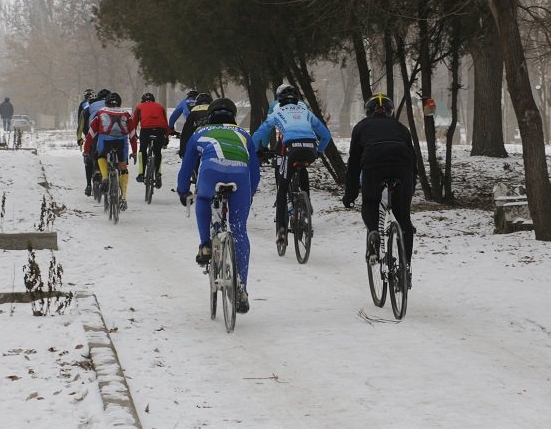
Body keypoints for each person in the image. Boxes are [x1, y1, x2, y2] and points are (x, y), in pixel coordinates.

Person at [176, 98, 260, 314]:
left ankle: (205, 244)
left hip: (211, 173)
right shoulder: (244, 135)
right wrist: (249, 195)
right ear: (233, 116)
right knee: (239, 229)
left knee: (203, 199)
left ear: (210, 115)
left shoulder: (200, 133)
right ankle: (241, 287)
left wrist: (183, 190)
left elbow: (186, 167)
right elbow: (255, 172)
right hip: (240, 177)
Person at [342, 93, 416, 275]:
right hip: (402, 166)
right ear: (390, 112)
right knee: (404, 219)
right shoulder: (401, 128)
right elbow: (414, 162)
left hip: (374, 165)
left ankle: (374, 232)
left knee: (370, 203)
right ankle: (405, 268)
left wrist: (350, 194)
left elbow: (353, 164)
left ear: (368, 112)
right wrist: (408, 192)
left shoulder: (361, 127)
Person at [252, 84, 331, 246]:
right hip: (310, 148)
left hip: (290, 148)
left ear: (280, 100)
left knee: (282, 189)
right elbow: (326, 136)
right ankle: (306, 208)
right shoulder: (306, 112)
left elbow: (260, 133)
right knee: (302, 169)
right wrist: (318, 152)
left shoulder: (277, 112)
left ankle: (281, 229)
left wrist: (254, 151)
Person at [83, 91, 137, 211]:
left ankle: (105, 178)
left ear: (106, 103)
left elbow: (90, 135)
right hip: (121, 142)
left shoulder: (101, 112)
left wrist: (86, 151)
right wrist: (134, 152)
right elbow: (133, 135)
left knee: (100, 156)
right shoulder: (126, 114)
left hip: (105, 141)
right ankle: (123, 197)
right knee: (123, 167)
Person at [131, 92, 169, 187]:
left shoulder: (140, 107)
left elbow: (134, 122)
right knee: (157, 151)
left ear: (142, 100)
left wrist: (133, 133)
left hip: (146, 129)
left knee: (142, 150)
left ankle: (141, 173)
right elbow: (165, 122)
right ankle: (158, 174)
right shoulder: (160, 106)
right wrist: (167, 136)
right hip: (160, 129)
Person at [178, 92, 213, 159]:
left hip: (198, 136)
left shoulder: (195, 109)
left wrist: (182, 151)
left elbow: (186, 131)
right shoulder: (213, 109)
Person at [77, 89, 95, 196]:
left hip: (88, 132)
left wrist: (79, 139)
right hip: (101, 133)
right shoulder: (103, 107)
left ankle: (89, 185)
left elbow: (80, 121)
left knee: (88, 156)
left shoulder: (83, 105)